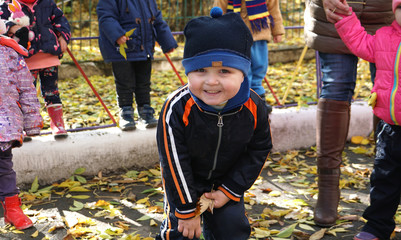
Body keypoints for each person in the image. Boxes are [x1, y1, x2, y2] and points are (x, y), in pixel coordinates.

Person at [156, 7, 272, 240]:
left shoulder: (254, 106)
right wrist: (187, 210)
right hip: (185, 182)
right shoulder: (176, 108)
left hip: (226, 182)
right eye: (200, 70)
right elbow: (173, 162)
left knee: (233, 230)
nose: (211, 81)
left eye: (224, 71)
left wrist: (230, 190)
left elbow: (259, 150)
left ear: (243, 74)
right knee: (180, 232)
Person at [303, 0, 393, 227]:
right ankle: (327, 184)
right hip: (335, 11)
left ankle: (387, 179)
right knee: (336, 85)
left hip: (387, 12)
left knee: (390, 91)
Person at [330, 1, 401, 239]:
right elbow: (360, 42)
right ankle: (377, 227)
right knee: (383, 180)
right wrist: (345, 17)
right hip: (390, 128)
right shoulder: (384, 36)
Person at [96, 0, 177, 131]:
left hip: (143, 48)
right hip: (122, 49)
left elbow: (156, 19)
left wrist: (167, 41)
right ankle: (126, 112)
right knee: (124, 82)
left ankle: (145, 111)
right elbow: (106, 16)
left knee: (144, 82)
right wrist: (117, 34)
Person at [0, 0, 71, 139]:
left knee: (52, 91)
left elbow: (60, 19)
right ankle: (24, 127)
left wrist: (63, 36)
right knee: (26, 95)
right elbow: (1, 22)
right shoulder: (8, 3)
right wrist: (12, 27)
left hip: (49, 54)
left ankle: (57, 123)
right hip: (25, 59)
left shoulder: (47, 3)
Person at [0, 20, 43, 230]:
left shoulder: (9, 52)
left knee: (4, 167)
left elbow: (26, 87)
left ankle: (12, 208)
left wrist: (32, 120)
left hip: (4, 123)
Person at [214, 0, 285, 113]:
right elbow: (219, 9)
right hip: (235, 35)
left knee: (259, 67)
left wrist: (277, 31)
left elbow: (273, 8)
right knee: (241, 70)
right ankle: (242, 101)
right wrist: (217, 31)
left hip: (259, 32)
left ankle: (258, 99)